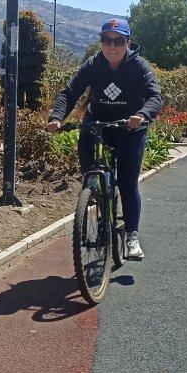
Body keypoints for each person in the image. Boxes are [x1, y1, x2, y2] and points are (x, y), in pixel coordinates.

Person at [45, 18, 163, 260]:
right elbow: (70, 93)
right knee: (90, 170)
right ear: (101, 42)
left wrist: (141, 115)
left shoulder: (139, 66)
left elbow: (155, 96)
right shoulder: (93, 65)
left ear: (128, 42)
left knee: (128, 184)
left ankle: (131, 236)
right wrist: (57, 117)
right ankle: (95, 194)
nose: (112, 46)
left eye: (118, 40)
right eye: (106, 40)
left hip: (130, 128)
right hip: (98, 123)